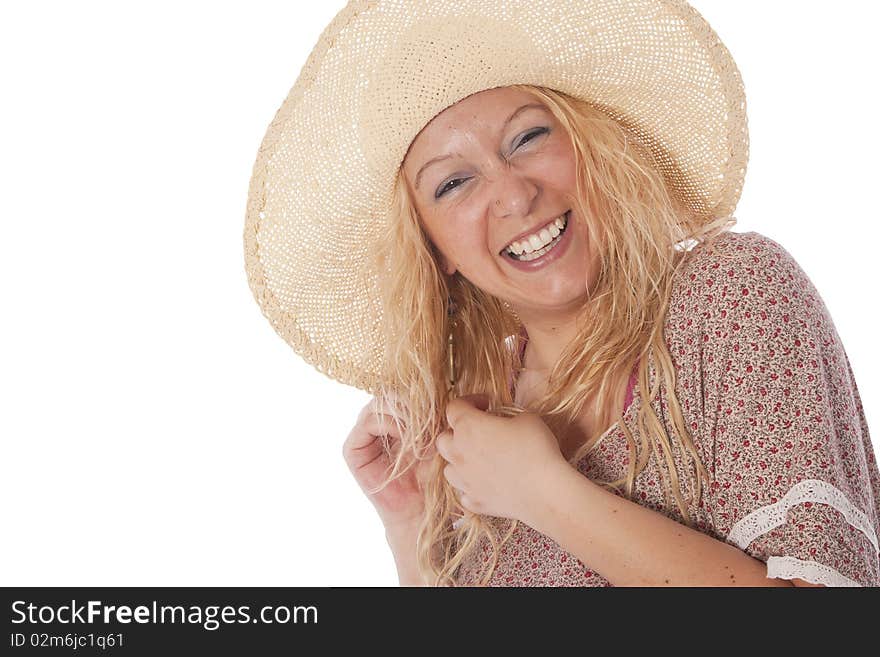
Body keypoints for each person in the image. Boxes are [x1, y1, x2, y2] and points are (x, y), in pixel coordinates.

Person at [244, 0, 880, 587]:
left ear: (585, 145)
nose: (515, 195)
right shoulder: (471, 435)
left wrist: (544, 492)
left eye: (527, 138)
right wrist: (411, 532)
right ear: (435, 250)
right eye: (454, 183)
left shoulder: (731, 294)